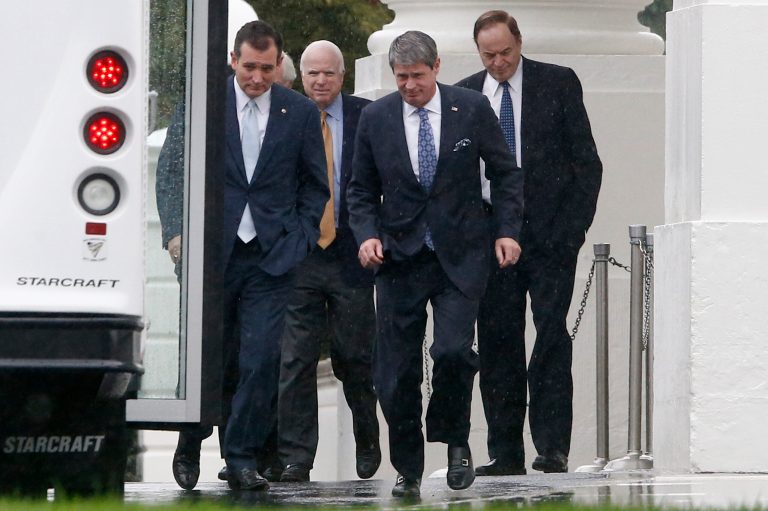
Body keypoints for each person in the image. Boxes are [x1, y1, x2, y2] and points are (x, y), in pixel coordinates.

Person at [346, 30, 523, 498]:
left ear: (437, 68)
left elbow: (505, 172)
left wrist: (506, 230)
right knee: (396, 372)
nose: (409, 86)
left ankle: (456, 439)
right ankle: (407, 464)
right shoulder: (376, 117)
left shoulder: (471, 108)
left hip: (460, 256)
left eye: (417, 76)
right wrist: (366, 236)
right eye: (401, 77)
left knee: (451, 352)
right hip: (400, 258)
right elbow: (360, 189)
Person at [161, 20, 329, 492]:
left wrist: (300, 238)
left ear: (278, 65)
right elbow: (172, 169)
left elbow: (315, 185)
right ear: (233, 61)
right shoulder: (203, 103)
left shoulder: (297, 112)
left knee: (260, 359)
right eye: (249, 66)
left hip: (272, 257)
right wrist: (175, 233)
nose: (256, 77)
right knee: (209, 356)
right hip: (210, 255)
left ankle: (240, 456)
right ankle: (190, 441)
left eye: (266, 68)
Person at [456, 10, 603, 475]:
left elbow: (587, 164)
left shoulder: (557, 83)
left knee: (551, 337)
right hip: (489, 236)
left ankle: (553, 446)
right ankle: (505, 451)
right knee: (498, 344)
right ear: (478, 51)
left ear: (519, 43)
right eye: (489, 55)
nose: (499, 62)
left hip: (549, 238)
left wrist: (570, 234)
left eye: (506, 52)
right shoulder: (463, 94)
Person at [276, 40, 380, 483]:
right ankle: (297, 455)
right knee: (295, 359)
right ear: (301, 75)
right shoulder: (287, 115)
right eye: (313, 73)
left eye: (329, 73)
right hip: (300, 252)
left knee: (354, 355)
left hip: (352, 251)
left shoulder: (367, 117)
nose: (320, 81)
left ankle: (366, 432)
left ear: (343, 77)